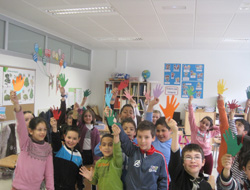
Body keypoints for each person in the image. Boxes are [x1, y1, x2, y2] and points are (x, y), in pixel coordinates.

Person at [10, 91, 54, 190]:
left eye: (44, 130)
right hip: (18, 187)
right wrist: (16, 104)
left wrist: (50, 188)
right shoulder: (26, 143)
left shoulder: (47, 148)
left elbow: (49, 173)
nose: (42, 132)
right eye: (39, 130)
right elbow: (21, 124)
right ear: (30, 131)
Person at [119, 120, 169, 189]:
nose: (142, 141)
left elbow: (164, 181)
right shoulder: (132, 150)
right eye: (139, 137)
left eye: (146, 137)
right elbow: (123, 138)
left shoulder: (159, 157)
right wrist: (113, 121)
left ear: (153, 138)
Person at [168, 117, 212, 190]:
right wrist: (175, 132)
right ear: (182, 162)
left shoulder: (206, 186)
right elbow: (175, 155)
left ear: (203, 162)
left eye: (197, 157)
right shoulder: (178, 177)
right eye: (188, 157)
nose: (193, 160)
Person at [79, 125, 123, 190]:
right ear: (100, 148)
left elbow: (117, 150)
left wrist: (116, 136)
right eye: (104, 145)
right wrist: (90, 178)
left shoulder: (116, 160)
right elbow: (95, 181)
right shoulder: (98, 163)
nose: (107, 147)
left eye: (110, 145)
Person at [188, 95, 220, 175]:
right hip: (197, 155)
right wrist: (190, 104)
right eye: (203, 122)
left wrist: (212, 126)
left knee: (208, 174)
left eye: (207, 124)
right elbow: (191, 117)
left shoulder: (210, 132)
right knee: (198, 174)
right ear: (200, 122)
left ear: (209, 127)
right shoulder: (195, 129)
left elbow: (220, 129)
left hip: (208, 155)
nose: (204, 125)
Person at [50, 117, 84, 190]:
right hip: (55, 186)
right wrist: (54, 128)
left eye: (74, 139)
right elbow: (55, 140)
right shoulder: (59, 149)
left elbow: (80, 175)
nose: (71, 141)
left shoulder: (78, 156)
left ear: (79, 139)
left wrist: (80, 187)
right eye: (69, 137)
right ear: (64, 137)